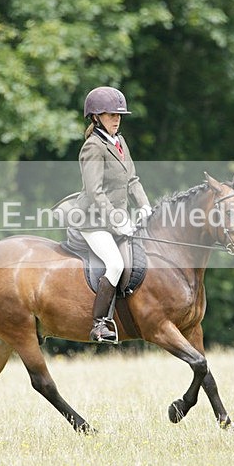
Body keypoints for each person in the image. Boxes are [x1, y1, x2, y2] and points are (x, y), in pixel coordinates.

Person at [74, 86, 152, 342]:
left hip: (118, 219)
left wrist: (144, 205)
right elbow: (95, 192)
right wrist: (118, 219)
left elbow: (132, 180)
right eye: (110, 115)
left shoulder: (120, 142)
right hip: (94, 221)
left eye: (119, 115)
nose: (116, 119)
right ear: (96, 117)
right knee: (115, 264)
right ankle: (100, 324)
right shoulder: (93, 147)